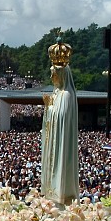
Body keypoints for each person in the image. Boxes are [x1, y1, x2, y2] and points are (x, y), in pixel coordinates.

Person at [40, 37, 79, 206]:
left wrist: (49, 107)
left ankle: (61, 192)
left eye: (54, 73)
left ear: (62, 74)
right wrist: (48, 106)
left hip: (60, 142)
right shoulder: (57, 93)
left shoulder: (66, 95)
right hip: (52, 142)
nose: (51, 76)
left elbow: (61, 118)